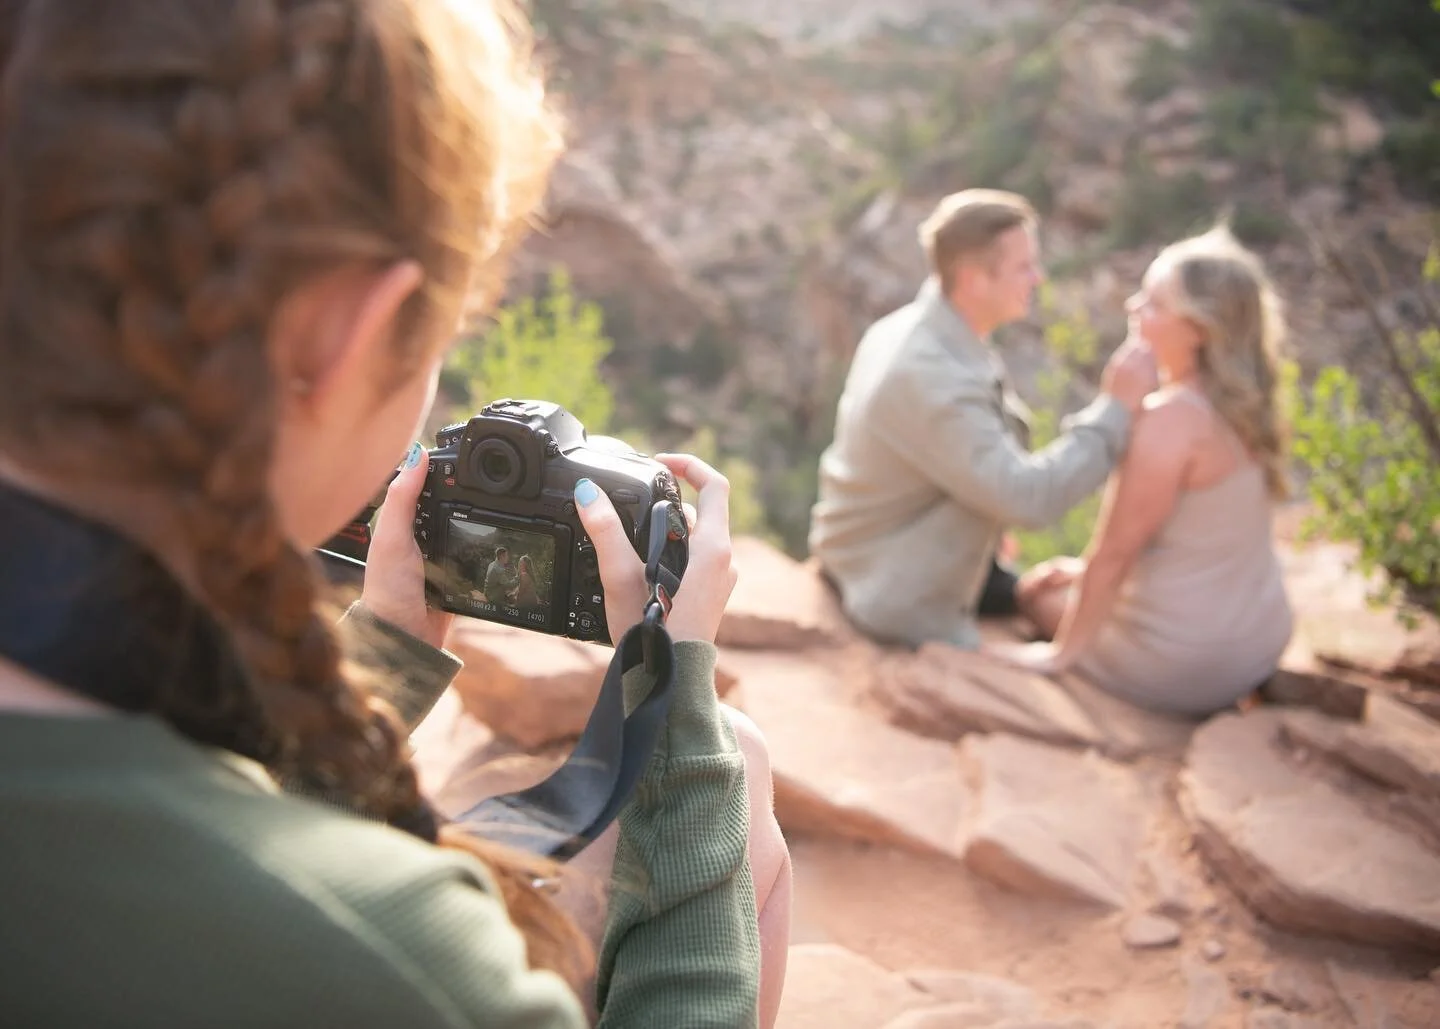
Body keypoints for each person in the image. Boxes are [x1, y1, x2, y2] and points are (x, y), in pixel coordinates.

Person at [0, 2, 789, 1026]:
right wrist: (677, 716)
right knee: (740, 795)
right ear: (338, 336)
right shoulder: (391, 965)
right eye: (440, 343)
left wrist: (384, 662)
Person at [808, 189, 1158, 650]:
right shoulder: (933, 376)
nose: (1038, 277)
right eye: (1023, 267)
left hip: (863, 550)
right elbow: (1029, 499)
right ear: (973, 280)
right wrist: (1114, 410)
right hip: (895, 593)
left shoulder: (910, 328)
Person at [987, 227, 1294, 716]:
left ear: (1199, 330)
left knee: (1034, 595)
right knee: (1063, 580)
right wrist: (1082, 572)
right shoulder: (1249, 405)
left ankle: (1090, 651)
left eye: (1152, 304)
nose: (1132, 307)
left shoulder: (1170, 422)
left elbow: (1115, 554)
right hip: (1259, 640)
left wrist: (1059, 655)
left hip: (1185, 665)